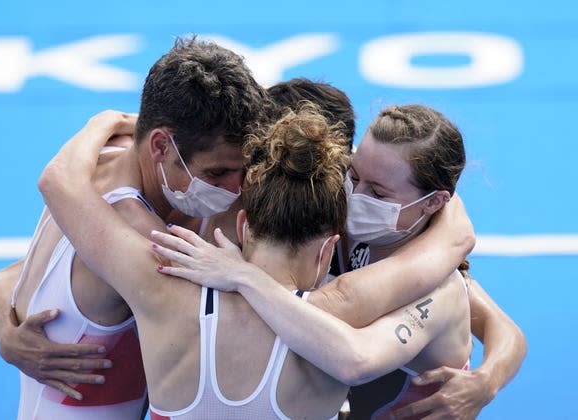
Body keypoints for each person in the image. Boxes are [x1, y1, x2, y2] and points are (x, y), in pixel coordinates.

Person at [148, 104, 527, 419]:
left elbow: (502, 328)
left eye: (377, 191)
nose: (354, 196)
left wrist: (487, 381)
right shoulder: (352, 229)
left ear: (432, 203)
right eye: (354, 175)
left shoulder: (435, 280)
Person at [0, 36, 271, 418]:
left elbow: (7, 278)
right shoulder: (127, 225)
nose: (236, 189)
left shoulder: (103, 159)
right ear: (160, 146)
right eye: (217, 173)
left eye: (242, 170)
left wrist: (5, 327)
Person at [39, 104, 355, 417]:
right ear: (328, 249)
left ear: (243, 226)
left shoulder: (160, 284)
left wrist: (107, 119)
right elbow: (403, 278)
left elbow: (58, 182)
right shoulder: (351, 314)